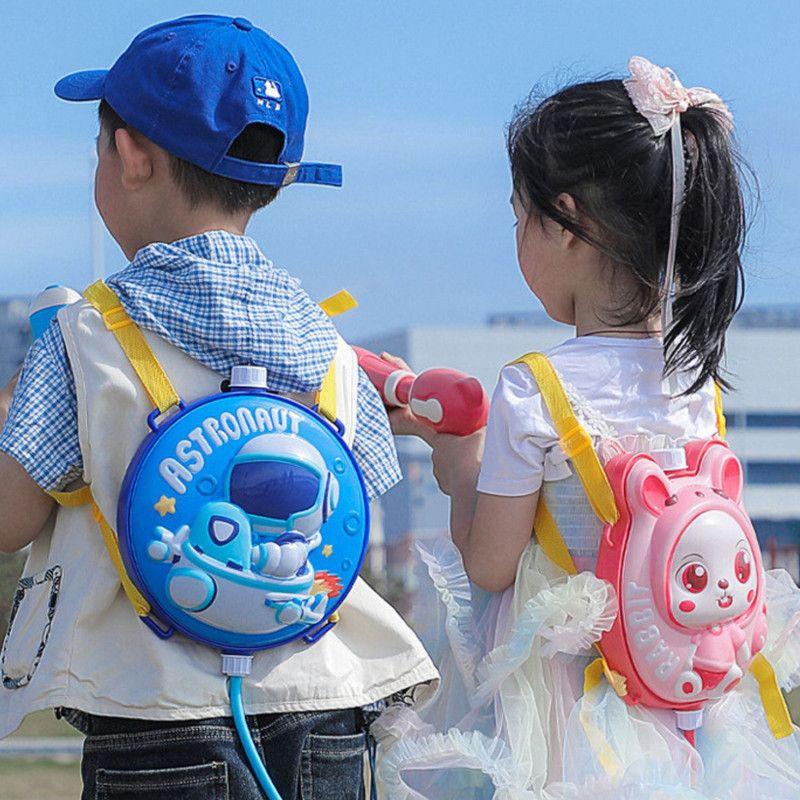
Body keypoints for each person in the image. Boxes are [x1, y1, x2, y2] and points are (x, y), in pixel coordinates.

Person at [0, 15, 437, 800]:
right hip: (327, 702)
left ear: (130, 156)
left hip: (152, 712)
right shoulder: (329, 348)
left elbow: (8, 519)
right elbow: (358, 493)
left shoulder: (83, 337)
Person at [375, 57, 800, 799]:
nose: (517, 238)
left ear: (569, 223)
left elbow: (491, 567)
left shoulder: (536, 388)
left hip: (572, 718)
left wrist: (459, 461)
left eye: (519, 216)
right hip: (685, 705)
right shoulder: (694, 376)